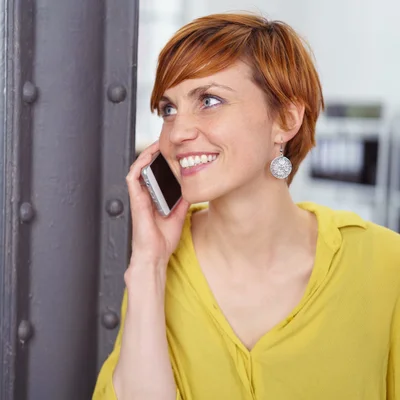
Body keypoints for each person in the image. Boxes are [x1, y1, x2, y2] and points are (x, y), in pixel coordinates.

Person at [92, 12, 400, 400]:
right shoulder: (159, 268)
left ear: (286, 119)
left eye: (209, 100)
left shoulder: (385, 264)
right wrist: (148, 267)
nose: (178, 132)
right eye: (169, 109)